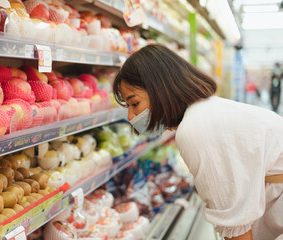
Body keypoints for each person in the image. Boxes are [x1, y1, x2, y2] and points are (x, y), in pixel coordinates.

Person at [113, 44, 283, 240]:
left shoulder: (195, 129)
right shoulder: (206, 110)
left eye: (134, 104)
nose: (131, 116)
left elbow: (236, 227)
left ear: (160, 88)